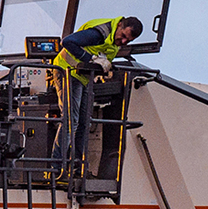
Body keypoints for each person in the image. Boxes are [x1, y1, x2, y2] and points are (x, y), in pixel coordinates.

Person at [52, 16, 144, 176]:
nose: (123, 42)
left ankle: (78, 168)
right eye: (123, 36)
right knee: (70, 121)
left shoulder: (114, 42)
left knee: (84, 123)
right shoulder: (99, 33)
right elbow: (67, 42)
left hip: (84, 77)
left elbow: (102, 59)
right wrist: (91, 59)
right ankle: (56, 170)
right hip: (67, 71)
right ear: (120, 25)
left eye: (127, 41)